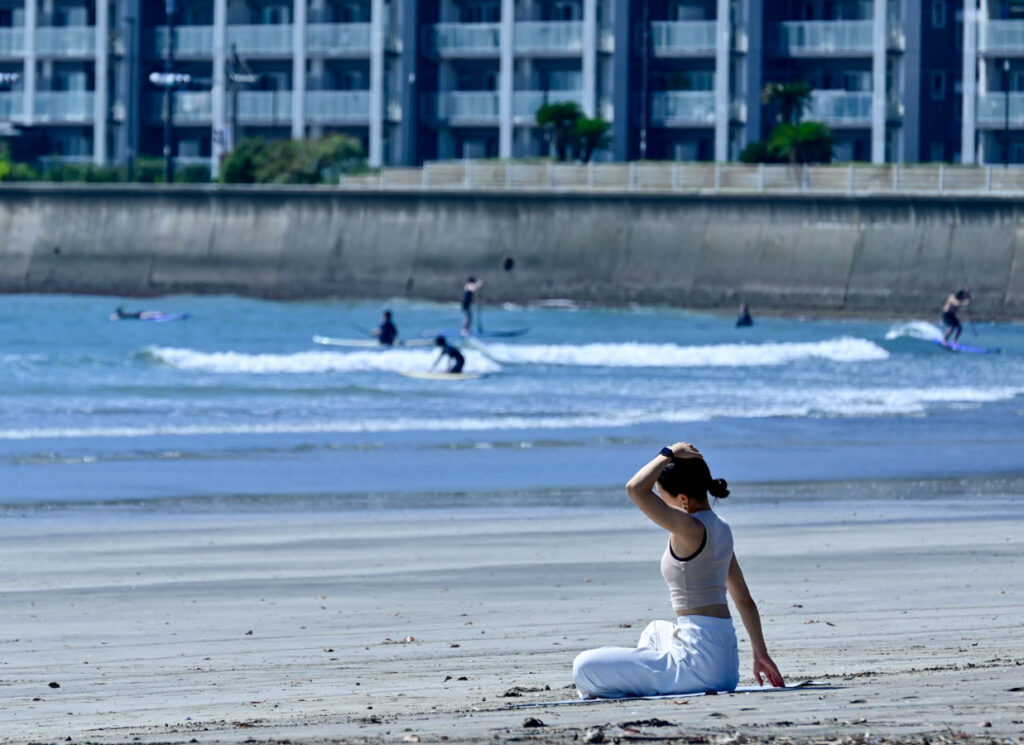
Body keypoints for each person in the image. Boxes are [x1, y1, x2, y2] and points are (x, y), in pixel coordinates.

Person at [572, 442, 785, 699]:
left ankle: (652, 682)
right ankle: (653, 680)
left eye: (662, 495)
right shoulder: (722, 528)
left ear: (683, 500)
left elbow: (635, 489)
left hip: (697, 668)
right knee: (654, 631)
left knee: (583, 667)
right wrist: (760, 654)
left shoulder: (690, 528)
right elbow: (745, 601)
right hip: (725, 667)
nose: (660, 501)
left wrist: (669, 452)